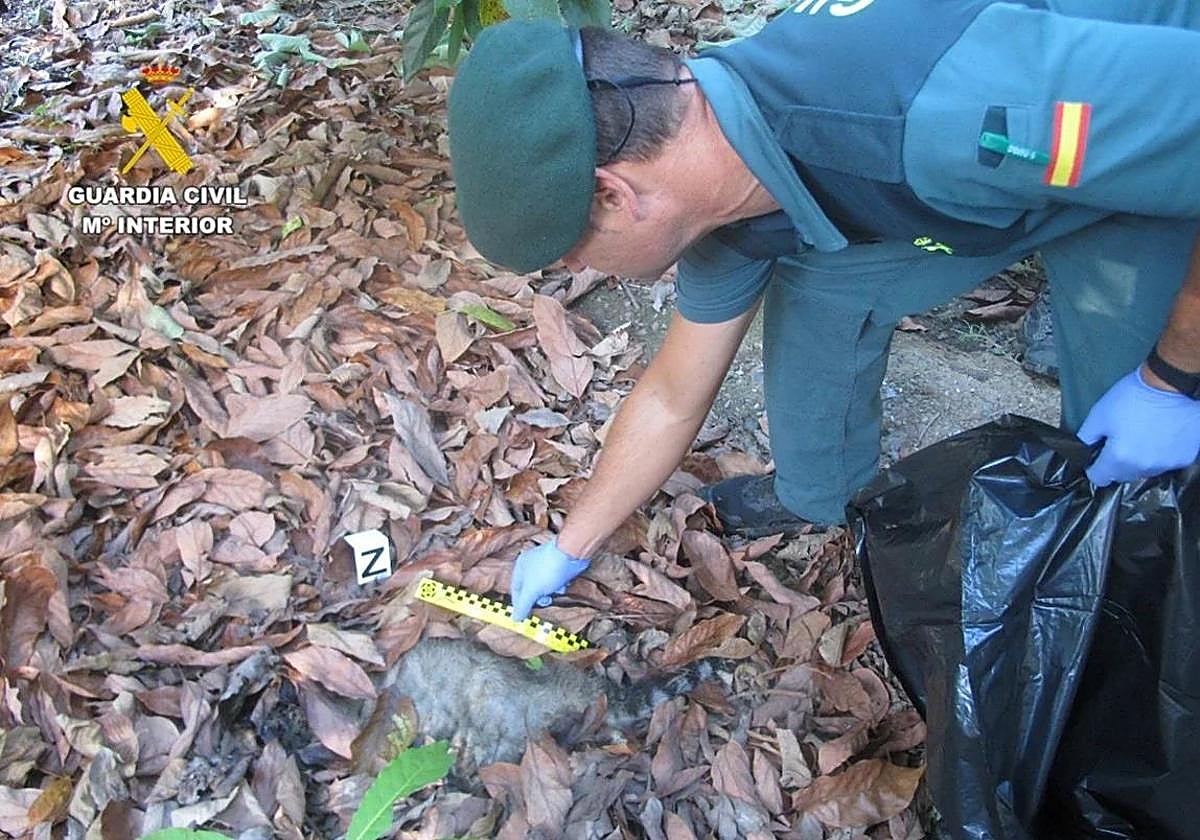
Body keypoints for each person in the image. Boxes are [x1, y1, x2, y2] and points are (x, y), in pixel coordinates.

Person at [444, 0, 1200, 620]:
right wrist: (571, 545)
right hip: (1006, 175)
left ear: (616, 194)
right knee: (816, 284)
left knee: (1129, 461)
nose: (575, 270)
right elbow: (674, 394)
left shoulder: (936, 115)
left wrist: (1174, 376)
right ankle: (819, 493)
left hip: (1149, 155)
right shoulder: (720, 174)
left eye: (569, 252)